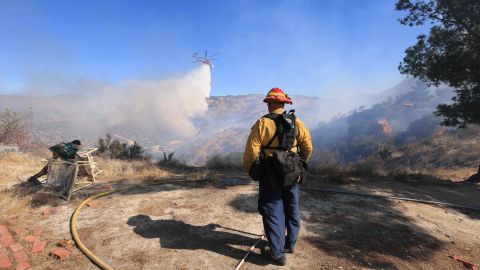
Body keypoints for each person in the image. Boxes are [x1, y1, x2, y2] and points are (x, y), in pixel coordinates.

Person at [243, 87, 312, 266]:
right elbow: (308, 147)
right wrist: (299, 163)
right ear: (283, 103)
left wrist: (252, 170)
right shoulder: (296, 122)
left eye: (269, 103)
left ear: (271, 103)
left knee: (273, 209)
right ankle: (291, 243)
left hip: (270, 174)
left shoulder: (262, 123)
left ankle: (277, 254)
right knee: (292, 205)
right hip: (292, 172)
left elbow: (251, 152)